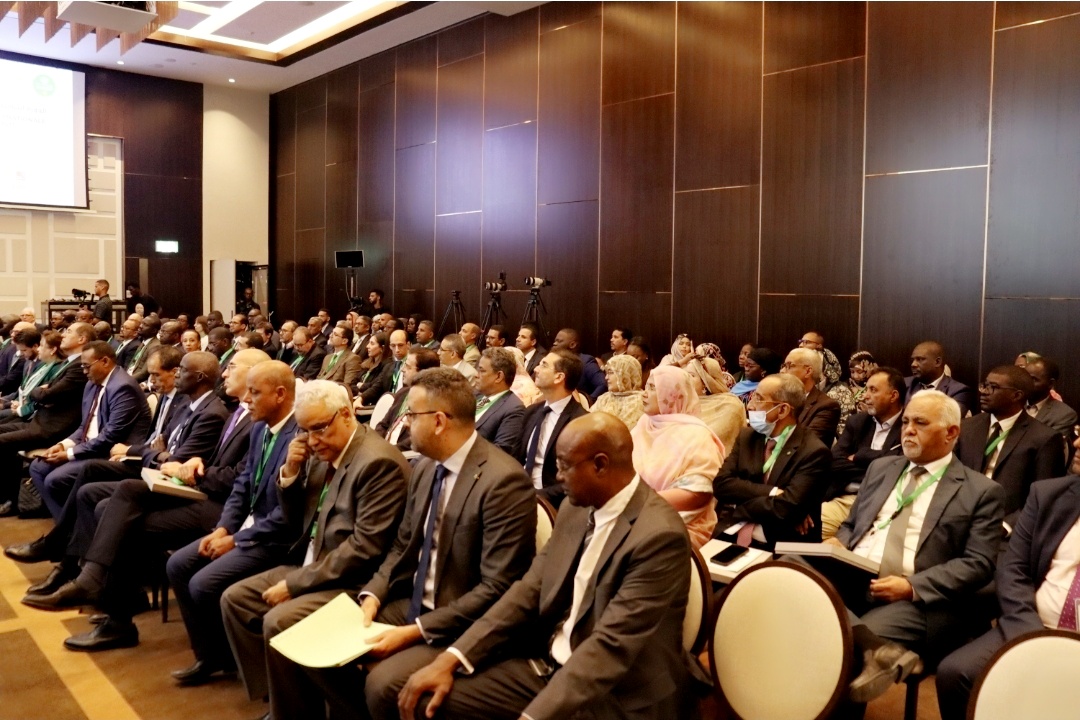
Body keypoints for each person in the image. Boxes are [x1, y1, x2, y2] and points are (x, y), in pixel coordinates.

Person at [392, 413, 700, 720]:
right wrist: (452, 658)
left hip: (616, 696)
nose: (558, 476)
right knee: (418, 698)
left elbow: (610, 646)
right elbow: (528, 591)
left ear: (600, 465)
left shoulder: (659, 536)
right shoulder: (575, 508)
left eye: (564, 465)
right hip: (550, 666)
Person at [306, 367, 537, 720]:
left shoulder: (503, 482)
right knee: (318, 639)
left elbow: (497, 588)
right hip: (412, 601)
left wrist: (415, 632)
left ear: (439, 421)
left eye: (411, 416)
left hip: (460, 619)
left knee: (383, 683)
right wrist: (374, 594)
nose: (406, 423)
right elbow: (402, 545)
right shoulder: (428, 467)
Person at [220, 380, 409, 714]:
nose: (312, 440)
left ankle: (293, 709)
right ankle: (282, 696)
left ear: (347, 415)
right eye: (304, 431)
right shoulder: (321, 451)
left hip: (353, 579)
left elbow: (364, 548)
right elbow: (296, 521)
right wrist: (290, 472)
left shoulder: (377, 463)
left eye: (319, 428)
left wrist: (295, 584)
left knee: (279, 620)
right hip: (312, 560)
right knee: (235, 599)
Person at [820, 391, 1004, 703]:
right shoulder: (882, 468)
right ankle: (877, 649)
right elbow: (852, 524)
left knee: (838, 644)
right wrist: (840, 541)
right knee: (788, 567)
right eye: (905, 422)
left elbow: (979, 564)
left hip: (913, 600)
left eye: (920, 423)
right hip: (853, 577)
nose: (907, 430)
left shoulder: (981, 491)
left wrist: (912, 587)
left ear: (951, 433)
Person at [165, 360, 301, 681]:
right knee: (178, 565)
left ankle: (241, 662)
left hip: (276, 538)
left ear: (280, 394)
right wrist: (224, 528)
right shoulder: (260, 429)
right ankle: (210, 655)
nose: (246, 400)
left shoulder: (298, 438)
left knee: (203, 583)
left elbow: (289, 515)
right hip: (246, 528)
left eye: (255, 392)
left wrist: (235, 540)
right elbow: (242, 486)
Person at [935, 462, 1080, 720]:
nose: (1077, 444)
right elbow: (1013, 570)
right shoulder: (1048, 494)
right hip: (1032, 625)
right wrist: (1033, 637)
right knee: (955, 673)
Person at [713, 373, 832, 548]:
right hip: (733, 532)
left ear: (782, 410)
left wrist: (741, 505)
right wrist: (772, 492)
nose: (750, 405)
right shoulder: (748, 436)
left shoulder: (814, 452)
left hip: (782, 544)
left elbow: (788, 509)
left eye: (759, 399)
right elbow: (721, 484)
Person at [956, 364, 1065, 527]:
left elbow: (1043, 497)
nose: (984, 392)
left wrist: (1007, 526)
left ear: (1016, 395)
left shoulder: (1045, 438)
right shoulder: (966, 427)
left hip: (1004, 524)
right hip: (960, 517)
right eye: (984, 385)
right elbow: (950, 477)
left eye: (993, 387)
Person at [632, 365, 724, 548]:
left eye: (653, 388)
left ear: (673, 394)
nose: (644, 394)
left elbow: (697, 493)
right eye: (646, 386)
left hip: (680, 525)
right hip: (634, 516)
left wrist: (639, 505)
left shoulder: (697, 435)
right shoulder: (644, 425)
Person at [822, 367, 906, 539]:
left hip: (885, 502)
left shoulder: (908, 425)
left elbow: (902, 466)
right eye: (866, 389)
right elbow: (834, 462)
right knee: (808, 530)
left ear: (893, 396)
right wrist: (880, 468)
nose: (865, 396)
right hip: (846, 498)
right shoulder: (858, 421)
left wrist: (861, 456)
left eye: (873, 390)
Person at [519, 349, 589, 503]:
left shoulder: (580, 422)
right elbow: (515, 458)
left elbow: (576, 479)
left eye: (543, 365)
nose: (536, 369)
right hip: (519, 493)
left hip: (551, 501)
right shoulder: (531, 412)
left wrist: (535, 496)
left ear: (559, 377)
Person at [373, 347, 441, 451]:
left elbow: (418, 439)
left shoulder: (432, 402)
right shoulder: (403, 393)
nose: (402, 369)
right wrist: (376, 445)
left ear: (423, 373)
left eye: (408, 367)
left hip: (403, 455)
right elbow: (383, 425)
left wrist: (387, 451)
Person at [781, 347, 842, 447]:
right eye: (783, 366)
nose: (782, 371)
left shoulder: (826, 406)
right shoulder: (779, 399)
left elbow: (808, 446)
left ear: (808, 371)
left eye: (789, 366)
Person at [473, 347, 526, 456]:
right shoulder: (475, 395)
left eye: (482, 371)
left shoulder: (514, 409)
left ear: (498, 376)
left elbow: (501, 452)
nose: (476, 375)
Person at [907, 341, 977, 417]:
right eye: (913, 360)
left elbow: (948, 419)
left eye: (920, 359)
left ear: (937, 362)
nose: (913, 364)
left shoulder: (958, 391)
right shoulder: (905, 384)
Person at [1024, 356, 1077, 439]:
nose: (1026, 383)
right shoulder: (1011, 404)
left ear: (1051, 383)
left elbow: (1048, 444)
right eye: (1025, 378)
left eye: (1034, 379)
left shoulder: (1064, 414)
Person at [552, 328, 607, 403]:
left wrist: (588, 402)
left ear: (572, 345)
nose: (555, 344)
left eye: (559, 341)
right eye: (555, 341)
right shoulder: (553, 360)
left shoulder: (586, 361)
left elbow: (602, 384)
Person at [590, 354, 643, 430]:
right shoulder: (604, 398)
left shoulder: (640, 401)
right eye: (606, 373)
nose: (606, 377)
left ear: (624, 374)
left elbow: (625, 430)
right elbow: (589, 422)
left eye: (611, 373)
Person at [660, 334, 727, 395]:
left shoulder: (694, 362)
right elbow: (659, 372)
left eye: (688, 345)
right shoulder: (669, 358)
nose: (684, 346)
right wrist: (684, 361)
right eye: (681, 343)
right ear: (675, 345)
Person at [317, 323, 363, 387]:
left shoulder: (353, 359)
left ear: (344, 341)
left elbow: (347, 385)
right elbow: (319, 377)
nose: (330, 335)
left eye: (335, 334)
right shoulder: (327, 357)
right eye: (332, 333)